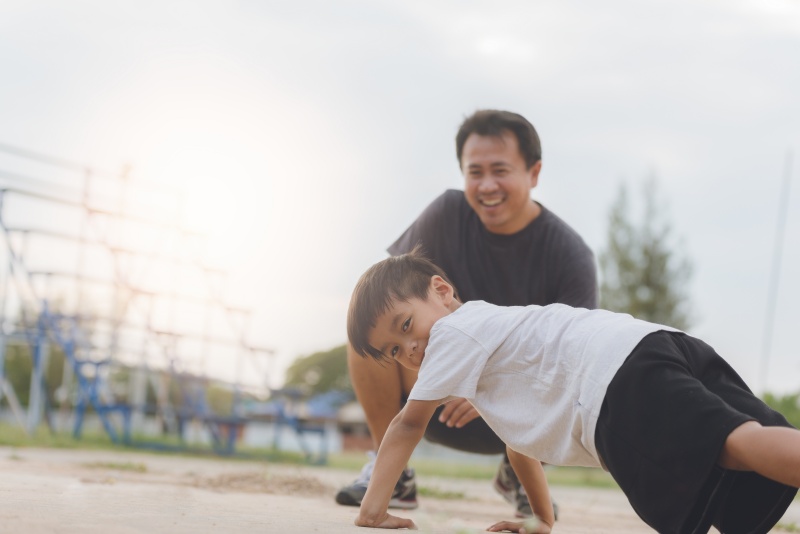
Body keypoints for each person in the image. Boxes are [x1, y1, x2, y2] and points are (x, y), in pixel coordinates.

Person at [346, 250, 800, 534]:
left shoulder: (454, 333)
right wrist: (542, 519)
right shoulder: (497, 343)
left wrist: (373, 510)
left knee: (734, 445)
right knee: (738, 462)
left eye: (406, 326)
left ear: (441, 291)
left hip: (612, 382)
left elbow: (408, 423)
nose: (411, 349)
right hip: (655, 346)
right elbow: (519, 444)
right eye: (394, 351)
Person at [335, 110, 597, 517]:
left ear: (534, 172)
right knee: (374, 333)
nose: (487, 185)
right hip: (437, 401)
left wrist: (489, 378)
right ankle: (392, 472)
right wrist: (453, 372)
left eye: (501, 170)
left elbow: (574, 362)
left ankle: (521, 475)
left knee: (568, 377)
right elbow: (384, 298)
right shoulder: (445, 215)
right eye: (475, 172)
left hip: (517, 408)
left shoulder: (570, 255)